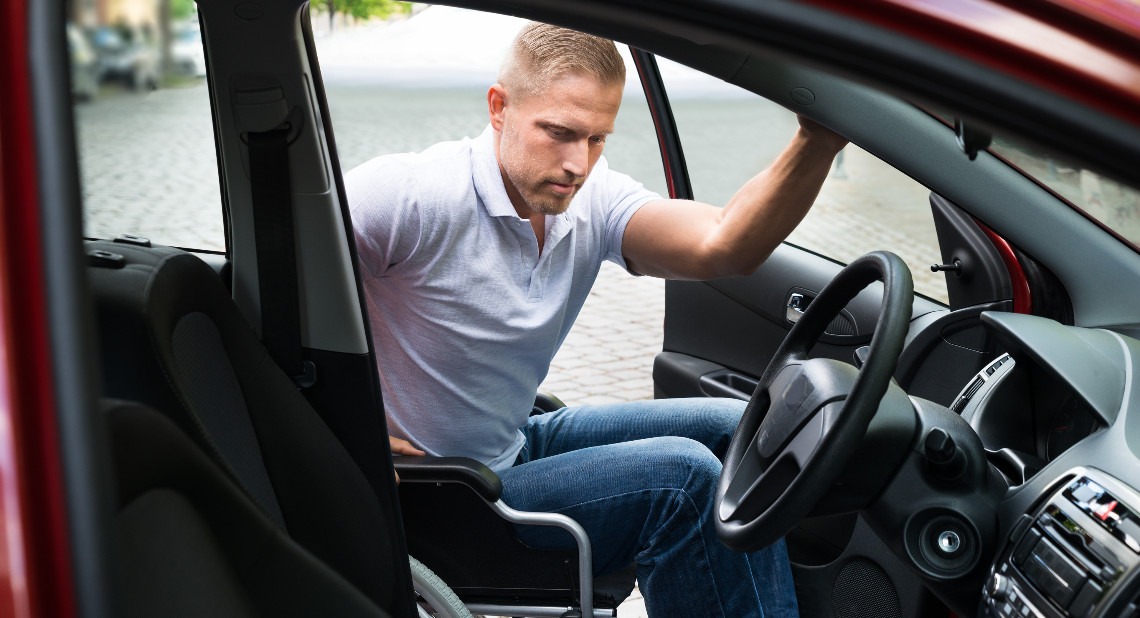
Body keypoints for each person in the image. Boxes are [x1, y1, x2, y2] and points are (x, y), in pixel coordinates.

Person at [347, 21, 847, 618]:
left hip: (511, 445)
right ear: (499, 107)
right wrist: (350, 428)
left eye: (597, 139)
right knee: (682, 484)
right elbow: (265, 300)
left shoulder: (592, 198)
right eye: (558, 132)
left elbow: (724, 245)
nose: (577, 163)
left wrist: (818, 139)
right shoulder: (406, 196)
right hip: (438, 498)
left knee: (739, 427)